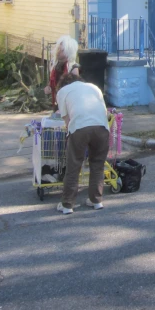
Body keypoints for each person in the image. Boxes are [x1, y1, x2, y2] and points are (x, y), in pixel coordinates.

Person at [55, 73, 110, 214]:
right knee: (97, 165)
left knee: (74, 166)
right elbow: (105, 112)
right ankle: (96, 200)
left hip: (80, 128)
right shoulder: (94, 87)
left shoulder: (62, 92)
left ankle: (67, 204)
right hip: (101, 127)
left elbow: (67, 121)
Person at [44, 35, 80, 111]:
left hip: (69, 105)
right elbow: (51, 82)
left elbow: (75, 90)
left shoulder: (73, 68)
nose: (58, 52)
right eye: (58, 49)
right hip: (57, 103)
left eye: (62, 50)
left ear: (68, 51)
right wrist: (48, 87)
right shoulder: (55, 65)